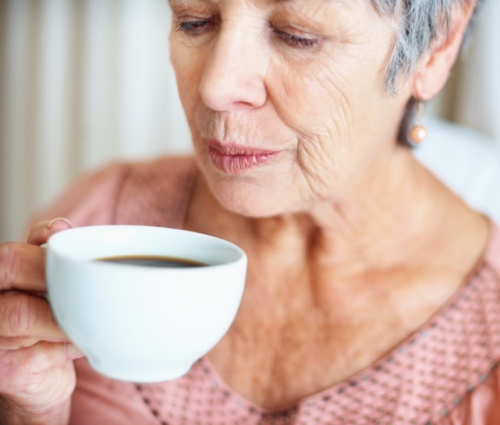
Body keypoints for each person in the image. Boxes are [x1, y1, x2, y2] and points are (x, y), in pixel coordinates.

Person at [0, 0, 497, 423]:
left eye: (295, 35)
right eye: (195, 20)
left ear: (436, 43)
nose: (216, 86)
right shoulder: (94, 221)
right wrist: (29, 410)